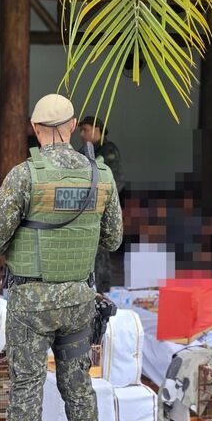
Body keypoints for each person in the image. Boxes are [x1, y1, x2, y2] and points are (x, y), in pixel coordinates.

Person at [0, 94, 123, 421]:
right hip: (79, 298)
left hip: (30, 302)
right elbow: (112, 240)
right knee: (78, 384)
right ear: (75, 125)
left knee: (26, 387)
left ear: (35, 128)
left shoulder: (25, 176)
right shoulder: (102, 176)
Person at [79, 116, 123, 293]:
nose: (82, 134)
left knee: (101, 250)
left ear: (97, 130)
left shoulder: (108, 151)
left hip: (102, 206)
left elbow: (113, 181)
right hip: (84, 206)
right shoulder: (85, 150)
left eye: (86, 130)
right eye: (81, 130)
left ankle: (103, 289)